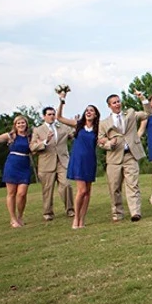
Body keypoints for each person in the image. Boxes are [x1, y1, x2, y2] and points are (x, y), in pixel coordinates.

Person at [98, 93, 150, 222]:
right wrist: (109, 144)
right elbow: (99, 140)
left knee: (133, 184)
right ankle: (117, 213)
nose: (117, 104)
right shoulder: (104, 123)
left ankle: (135, 212)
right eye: (114, 102)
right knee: (114, 187)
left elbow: (148, 113)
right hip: (114, 158)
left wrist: (142, 98)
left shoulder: (131, 114)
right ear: (109, 106)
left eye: (118, 101)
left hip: (130, 155)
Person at [0, 115, 36, 228]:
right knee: (11, 193)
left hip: (24, 165)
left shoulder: (30, 137)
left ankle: (20, 216)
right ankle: (13, 218)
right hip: (12, 165)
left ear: (26, 124)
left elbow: (36, 149)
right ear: (15, 125)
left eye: (23, 123)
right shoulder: (11, 136)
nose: (21, 125)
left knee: (22, 193)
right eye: (18, 123)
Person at [56, 94, 99, 229]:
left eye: (91, 110)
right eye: (87, 110)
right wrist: (62, 101)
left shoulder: (98, 129)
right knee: (81, 190)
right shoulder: (78, 125)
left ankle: (82, 220)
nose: (88, 112)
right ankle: (76, 219)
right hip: (78, 160)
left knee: (88, 192)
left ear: (96, 115)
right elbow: (59, 118)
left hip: (90, 161)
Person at [30, 104, 74, 221]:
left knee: (66, 185)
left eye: (53, 114)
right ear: (44, 116)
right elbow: (32, 147)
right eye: (49, 114)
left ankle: (70, 209)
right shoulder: (38, 130)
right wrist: (45, 141)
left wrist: (77, 124)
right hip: (46, 163)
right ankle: (48, 212)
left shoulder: (63, 127)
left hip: (62, 161)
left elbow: (73, 134)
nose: (52, 116)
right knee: (47, 189)